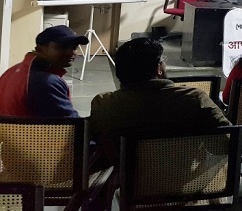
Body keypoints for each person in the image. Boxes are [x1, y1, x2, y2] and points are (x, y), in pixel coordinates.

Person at [90, 38, 230, 164]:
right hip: (184, 181)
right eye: (163, 61)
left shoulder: (103, 104)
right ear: (158, 69)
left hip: (127, 183)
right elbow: (226, 144)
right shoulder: (194, 99)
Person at [0, 25, 87, 117]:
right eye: (63, 47)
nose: (71, 52)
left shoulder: (11, 71)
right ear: (40, 49)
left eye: (75, 47)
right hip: (32, 128)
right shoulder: (46, 82)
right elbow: (71, 122)